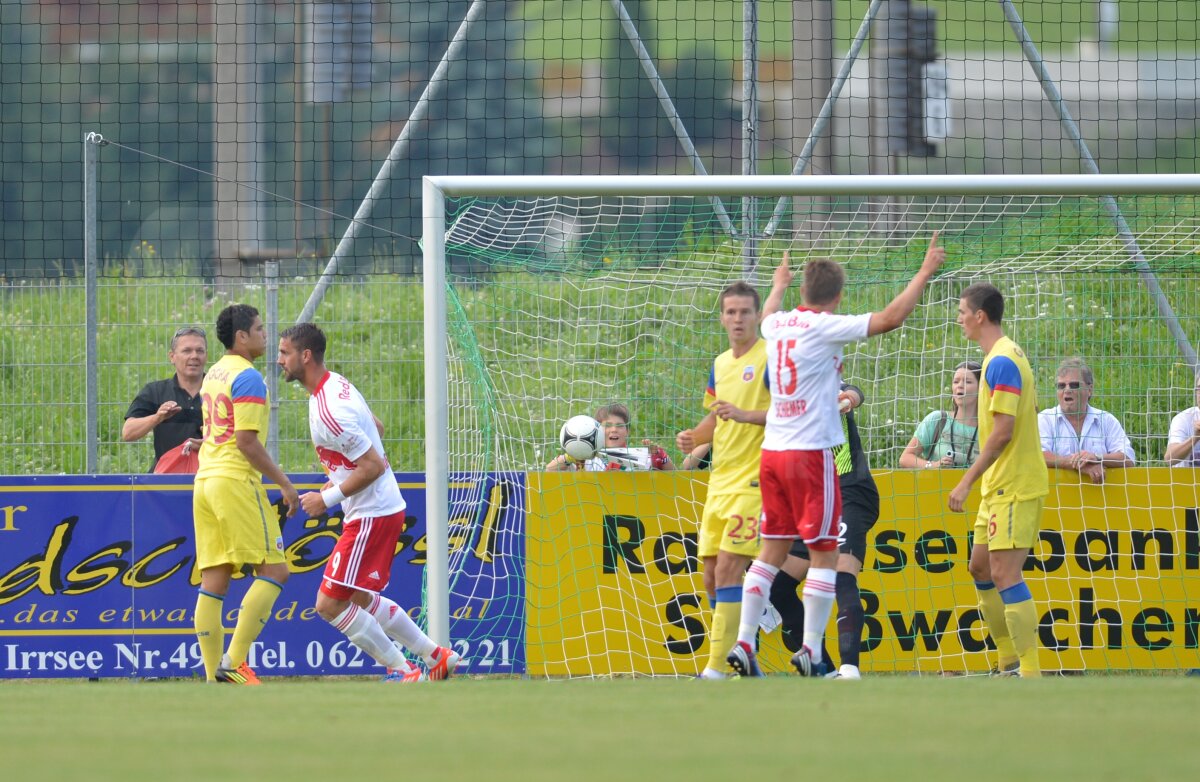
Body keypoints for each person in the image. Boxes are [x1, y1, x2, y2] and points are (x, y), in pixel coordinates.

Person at [726, 232, 945, 678]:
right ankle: (809, 648)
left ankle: (745, 643)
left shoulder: (778, 324)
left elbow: (767, 313)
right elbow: (888, 319)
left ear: (804, 291)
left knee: (770, 552)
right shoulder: (824, 326)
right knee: (825, 555)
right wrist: (923, 273)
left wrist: (778, 284)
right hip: (811, 456)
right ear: (838, 296)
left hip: (772, 454)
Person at [278, 323, 459, 682]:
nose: (279, 360)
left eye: (284, 353)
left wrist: (327, 497)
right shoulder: (334, 385)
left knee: (328, 604)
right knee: (360, 597)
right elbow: (376, 426)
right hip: (379, 507)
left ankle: (403, 670)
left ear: (305, 356)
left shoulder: (330, 408)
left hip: (371, 514)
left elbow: (373, 464)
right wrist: (342, 472)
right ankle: (435, 656)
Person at [192, 304, 300, 685]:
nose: (265, 335)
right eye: (259, 328)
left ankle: (211, 678)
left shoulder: (213, 374)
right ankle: (234, 663)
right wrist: (285, 484)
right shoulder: (249, 377)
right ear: (241, 336)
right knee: (275, 570)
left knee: (215, 580)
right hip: (235, 480)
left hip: (204, 481)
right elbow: (246, 442)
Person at [947, 283, 1048, 678]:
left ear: (980, 316)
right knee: (980, 568)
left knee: (1006, 573)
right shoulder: (1002, 357)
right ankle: (1007, 659)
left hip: (1015, 484)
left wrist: (966, 481)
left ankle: (1030, 671)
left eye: (961, 312)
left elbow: (1003, 431)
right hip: (1000, 485)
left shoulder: (1002, 361)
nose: (958, 319)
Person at [674, 281, 770, 680]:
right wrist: (694, 437)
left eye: (744, 312)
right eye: (730, 312)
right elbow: (716, 416)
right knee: (711, 573)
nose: (737, 319)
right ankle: (744, 662)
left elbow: (795, 412)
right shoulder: (720, 363)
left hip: (756, 480)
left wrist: (748, 416)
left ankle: (715, 669)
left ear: (758, 315)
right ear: (721, 317)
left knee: (731, 567)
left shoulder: (771, 359)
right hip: (720, 480)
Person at [769, 382, 878, 680]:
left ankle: (849, 669)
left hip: (849, 490)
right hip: (812, 501)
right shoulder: (780, 399)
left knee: (841, 577)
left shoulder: (824, 381)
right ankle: (826, 670)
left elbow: (854, 392)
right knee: (777, 587)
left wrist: (848, 399)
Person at [121, 326, 208, 472]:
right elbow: (128, 433)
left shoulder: (220, 390)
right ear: (172, 357)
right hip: (165, 481)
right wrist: (157, 418)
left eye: (200, 351)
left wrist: (212, 441)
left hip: (211, 479)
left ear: (206, 355)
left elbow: (243, 438)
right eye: (187, 351)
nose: (194, 356)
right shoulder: (155, 391)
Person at [1038, 357, 1135, 484]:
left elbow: (1128, 458)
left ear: (1089, 390)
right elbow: (1037, 456)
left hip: (1102, 500)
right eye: (1061, 386)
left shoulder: (1106, 420)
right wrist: (1079, 463)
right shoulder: (1044, 419)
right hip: (1057, 500)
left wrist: (1096, 457)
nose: (1067, 390)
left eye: (1074, 385)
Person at [899, 361, 982, 469]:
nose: (960, 386)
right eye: (956, 381)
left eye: (968, 382)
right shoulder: (938, 419)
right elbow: (905, 458)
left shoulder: (990, 427)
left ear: (981, 388)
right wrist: (933, 465)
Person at [545, 403, 674, 471]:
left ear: (627, 431)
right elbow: (550, 470)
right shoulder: (587, 459)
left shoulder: (638, 457)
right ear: (597, 431)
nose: (614, 430)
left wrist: (660, 456)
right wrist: (573, 454)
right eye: (608, 426)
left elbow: (674, 476)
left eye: (620, 426)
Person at [1164, 373, 1200, 467]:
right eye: (1199, 388)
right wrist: (1195, 438)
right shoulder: (1184, 418)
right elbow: (1170, 458)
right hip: (1184, 481)